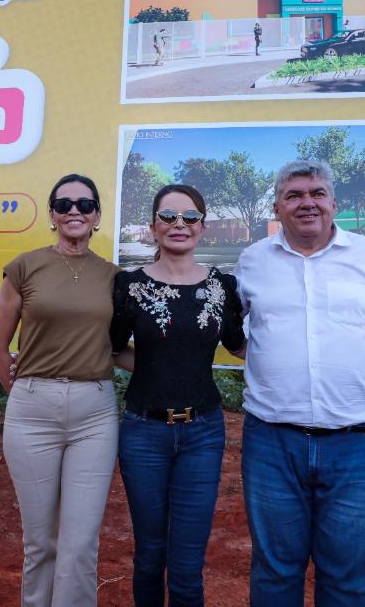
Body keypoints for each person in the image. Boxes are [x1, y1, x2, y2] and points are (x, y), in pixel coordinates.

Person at [233, 159, 365, 606]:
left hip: (356, 447)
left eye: (316, 193)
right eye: (294, 195)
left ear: (334, 202)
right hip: (271, 444)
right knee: (274, 576)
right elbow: (234, 335)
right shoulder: (252, 261)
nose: (306, 203)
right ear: (277, 205)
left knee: (348, 583)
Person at [0, 173, 121, 607]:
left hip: (95, 415)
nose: (74, 211)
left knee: (79, 544)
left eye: (84, 204)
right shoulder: (25, 266)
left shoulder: (115, 278)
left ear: (97, 215)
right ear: (52, 215)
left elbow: (118, 349)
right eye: (64, 205)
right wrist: (24, 392)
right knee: (40, 542)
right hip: (32, 411)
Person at [110, 184, 245, 607]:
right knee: (149, 556)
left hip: (203, 434)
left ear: (203, 227)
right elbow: (113, 349)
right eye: (168, 217)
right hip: (143, 433)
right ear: (153, 227)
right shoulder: (127, 286)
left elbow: (240, 346)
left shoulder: (224, 287)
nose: (178, 225)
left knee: (187, 565)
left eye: (189, 218)